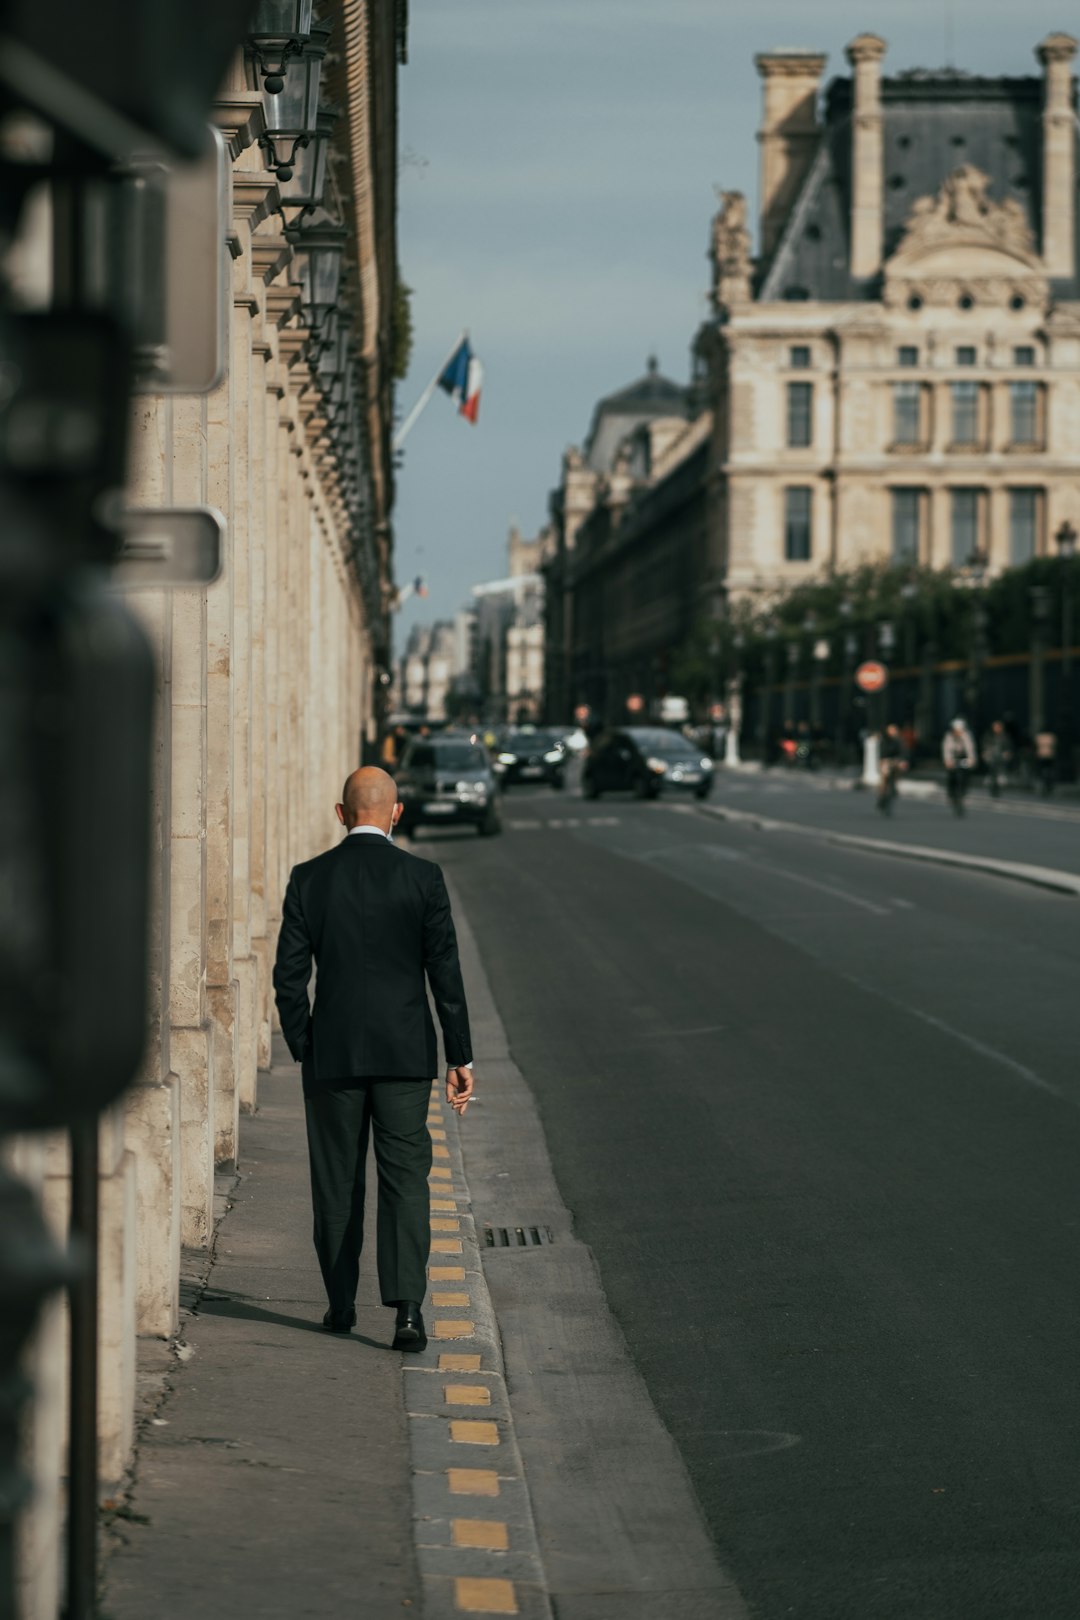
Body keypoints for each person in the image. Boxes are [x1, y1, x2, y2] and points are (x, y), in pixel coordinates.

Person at [272, 766, 474, 1352]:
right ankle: (408, 1312)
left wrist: (305, 1043)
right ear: (396, 813)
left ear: (341, 814)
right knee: (406, 1180)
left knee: (336, 1181)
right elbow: (446, 975)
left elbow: (289, 978)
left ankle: (340, 1303)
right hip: (405, 1055)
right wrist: (459, 1055)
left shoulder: (309, 879)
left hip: (332, 1055)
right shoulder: (423, 878)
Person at [942, 717, 977, 815]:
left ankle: (964, 792)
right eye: (956, 730)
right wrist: (947, 760)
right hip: (953, 758)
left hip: (963, 757)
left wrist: (972, 759)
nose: (958, 732)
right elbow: (946, 749)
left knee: (966, 775)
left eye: (960, 730)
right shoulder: (949, 736)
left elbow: (970, 748)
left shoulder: (966, 735)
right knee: (951, 775)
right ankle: (951, 793)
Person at [877, 722, 908, 814]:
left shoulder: (899, 741)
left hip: (895, 761)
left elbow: (903, 752)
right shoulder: (884, 740)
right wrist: (883, 761)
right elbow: (882, 752)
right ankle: (882, 797)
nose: (892, 732)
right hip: (886, 761)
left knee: (896, 775)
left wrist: (903, 761)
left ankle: (894, 788)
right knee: (884, 779)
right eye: (891, 730)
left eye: (894, 730)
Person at [981, 719, 1012, 798]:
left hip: (1000, 757)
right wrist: (985, 753)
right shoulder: (988, 735)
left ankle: (1000, 782)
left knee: (1000, 771)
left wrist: (1007, 753)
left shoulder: (1004, 736)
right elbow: (985, 745)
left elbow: (1008, 746)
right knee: (991, 772)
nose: (996, 728)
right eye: (995, 727)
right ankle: (991, 786)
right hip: (992, 757)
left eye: (998, 727)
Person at [1034, 726, 1057, 796]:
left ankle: (1042, 786)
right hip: (1050, 756)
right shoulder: (1051, 737)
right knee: (1049, 772)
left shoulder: (1039, 737)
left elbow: (1035, 746)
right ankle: (1049, 786)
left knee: (1041, 772)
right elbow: (1055, 746)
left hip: (1041, 756)